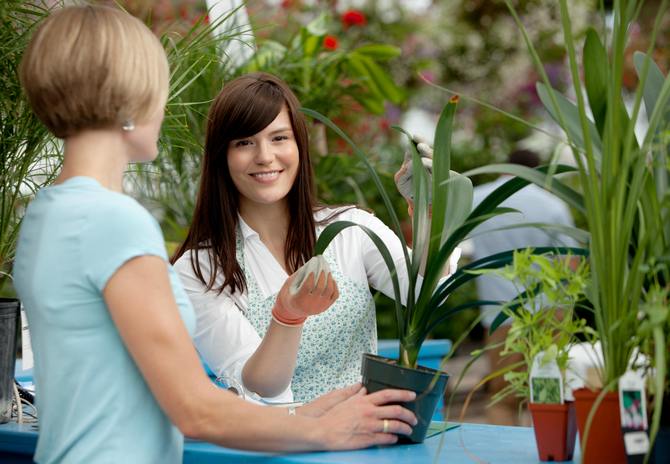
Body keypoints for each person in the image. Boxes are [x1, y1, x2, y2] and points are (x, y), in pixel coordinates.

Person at [13, 6, 417, 463]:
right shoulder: (114, 223)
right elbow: (196, 411)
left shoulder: (46, 216)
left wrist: (304, 418)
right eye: (161, 87)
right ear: (129, 97)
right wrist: (326, 431)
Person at [172, 73, 460, 403]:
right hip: (278, 448)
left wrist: (429, 214)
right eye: (244, 142)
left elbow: (424, 291)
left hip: (363, 441)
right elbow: (261, 387)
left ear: (299, 145)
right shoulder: (201, 269)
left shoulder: (350, 228)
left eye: (279, 138)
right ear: (221, 157)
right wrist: (287, 316)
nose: (265, 156)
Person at [469, 148, 578, 425]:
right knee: (547, 395)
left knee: (503, 398)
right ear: (537, 171)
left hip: (498, 314)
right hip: (549, 313)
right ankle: (548, 452)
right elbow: (572, 265)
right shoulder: (552, 205)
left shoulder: (478, 199)